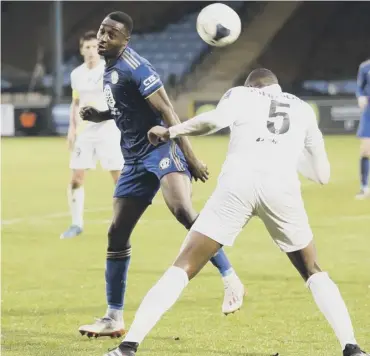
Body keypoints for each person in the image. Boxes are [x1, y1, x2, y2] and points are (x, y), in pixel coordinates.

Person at [105, 69, 368, 356]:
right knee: (312, 270)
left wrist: (170, 131)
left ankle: (128, 346)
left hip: (237, 187)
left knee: (183, 266)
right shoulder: (303, 109)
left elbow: (213, 121)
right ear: (277, 87)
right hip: (281, 189)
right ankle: (351, 347)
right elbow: (322, 175)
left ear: (252, 85)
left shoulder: (242, 94)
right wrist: (287, 155)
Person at [78, 12, 245, 338]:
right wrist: (98, 114)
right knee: (116, 233)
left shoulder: (137, 68)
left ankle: (230, 278)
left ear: (126, 40)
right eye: (101, 31)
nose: (103, 38)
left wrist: (191, 157)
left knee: (183, 210)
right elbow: (123, 106)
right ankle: (113, 317)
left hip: (161, 149)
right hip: (134, 159)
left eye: (111, 35)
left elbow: (167, 111)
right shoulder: (110, 68)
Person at [60, 31, 124, 239]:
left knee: (118, 177)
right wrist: (72, 129)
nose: (90, 51)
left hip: (108, 129)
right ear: (81, 50)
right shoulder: (76, 74)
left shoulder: (109, 71)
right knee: (76, 178)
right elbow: (76, 102)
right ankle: (76, 224)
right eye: (86, 47)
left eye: (94, 47)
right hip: (85, 132)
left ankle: (124, 220)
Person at [355, 59, 370, 199]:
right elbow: (359, 87)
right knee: (366, 149)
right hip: (369, 112)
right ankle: (364, 187)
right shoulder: (365, 67)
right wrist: (360, 97)